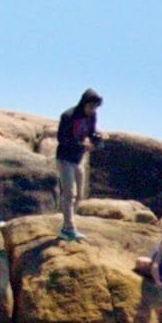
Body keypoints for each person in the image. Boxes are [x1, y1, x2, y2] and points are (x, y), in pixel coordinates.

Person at [54, 89, 102, 238]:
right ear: (84, 103)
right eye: (90, 106)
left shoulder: (92, 115)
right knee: (69, 193)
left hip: (77, 159)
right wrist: (82, 146)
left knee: (79, 195)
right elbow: (62, 139)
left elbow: (91, 132)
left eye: (95, 107)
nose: (92, 110)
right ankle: (69, 227)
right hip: (65, 158)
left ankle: (66, 225)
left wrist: (98, 139)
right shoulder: (68, 116)